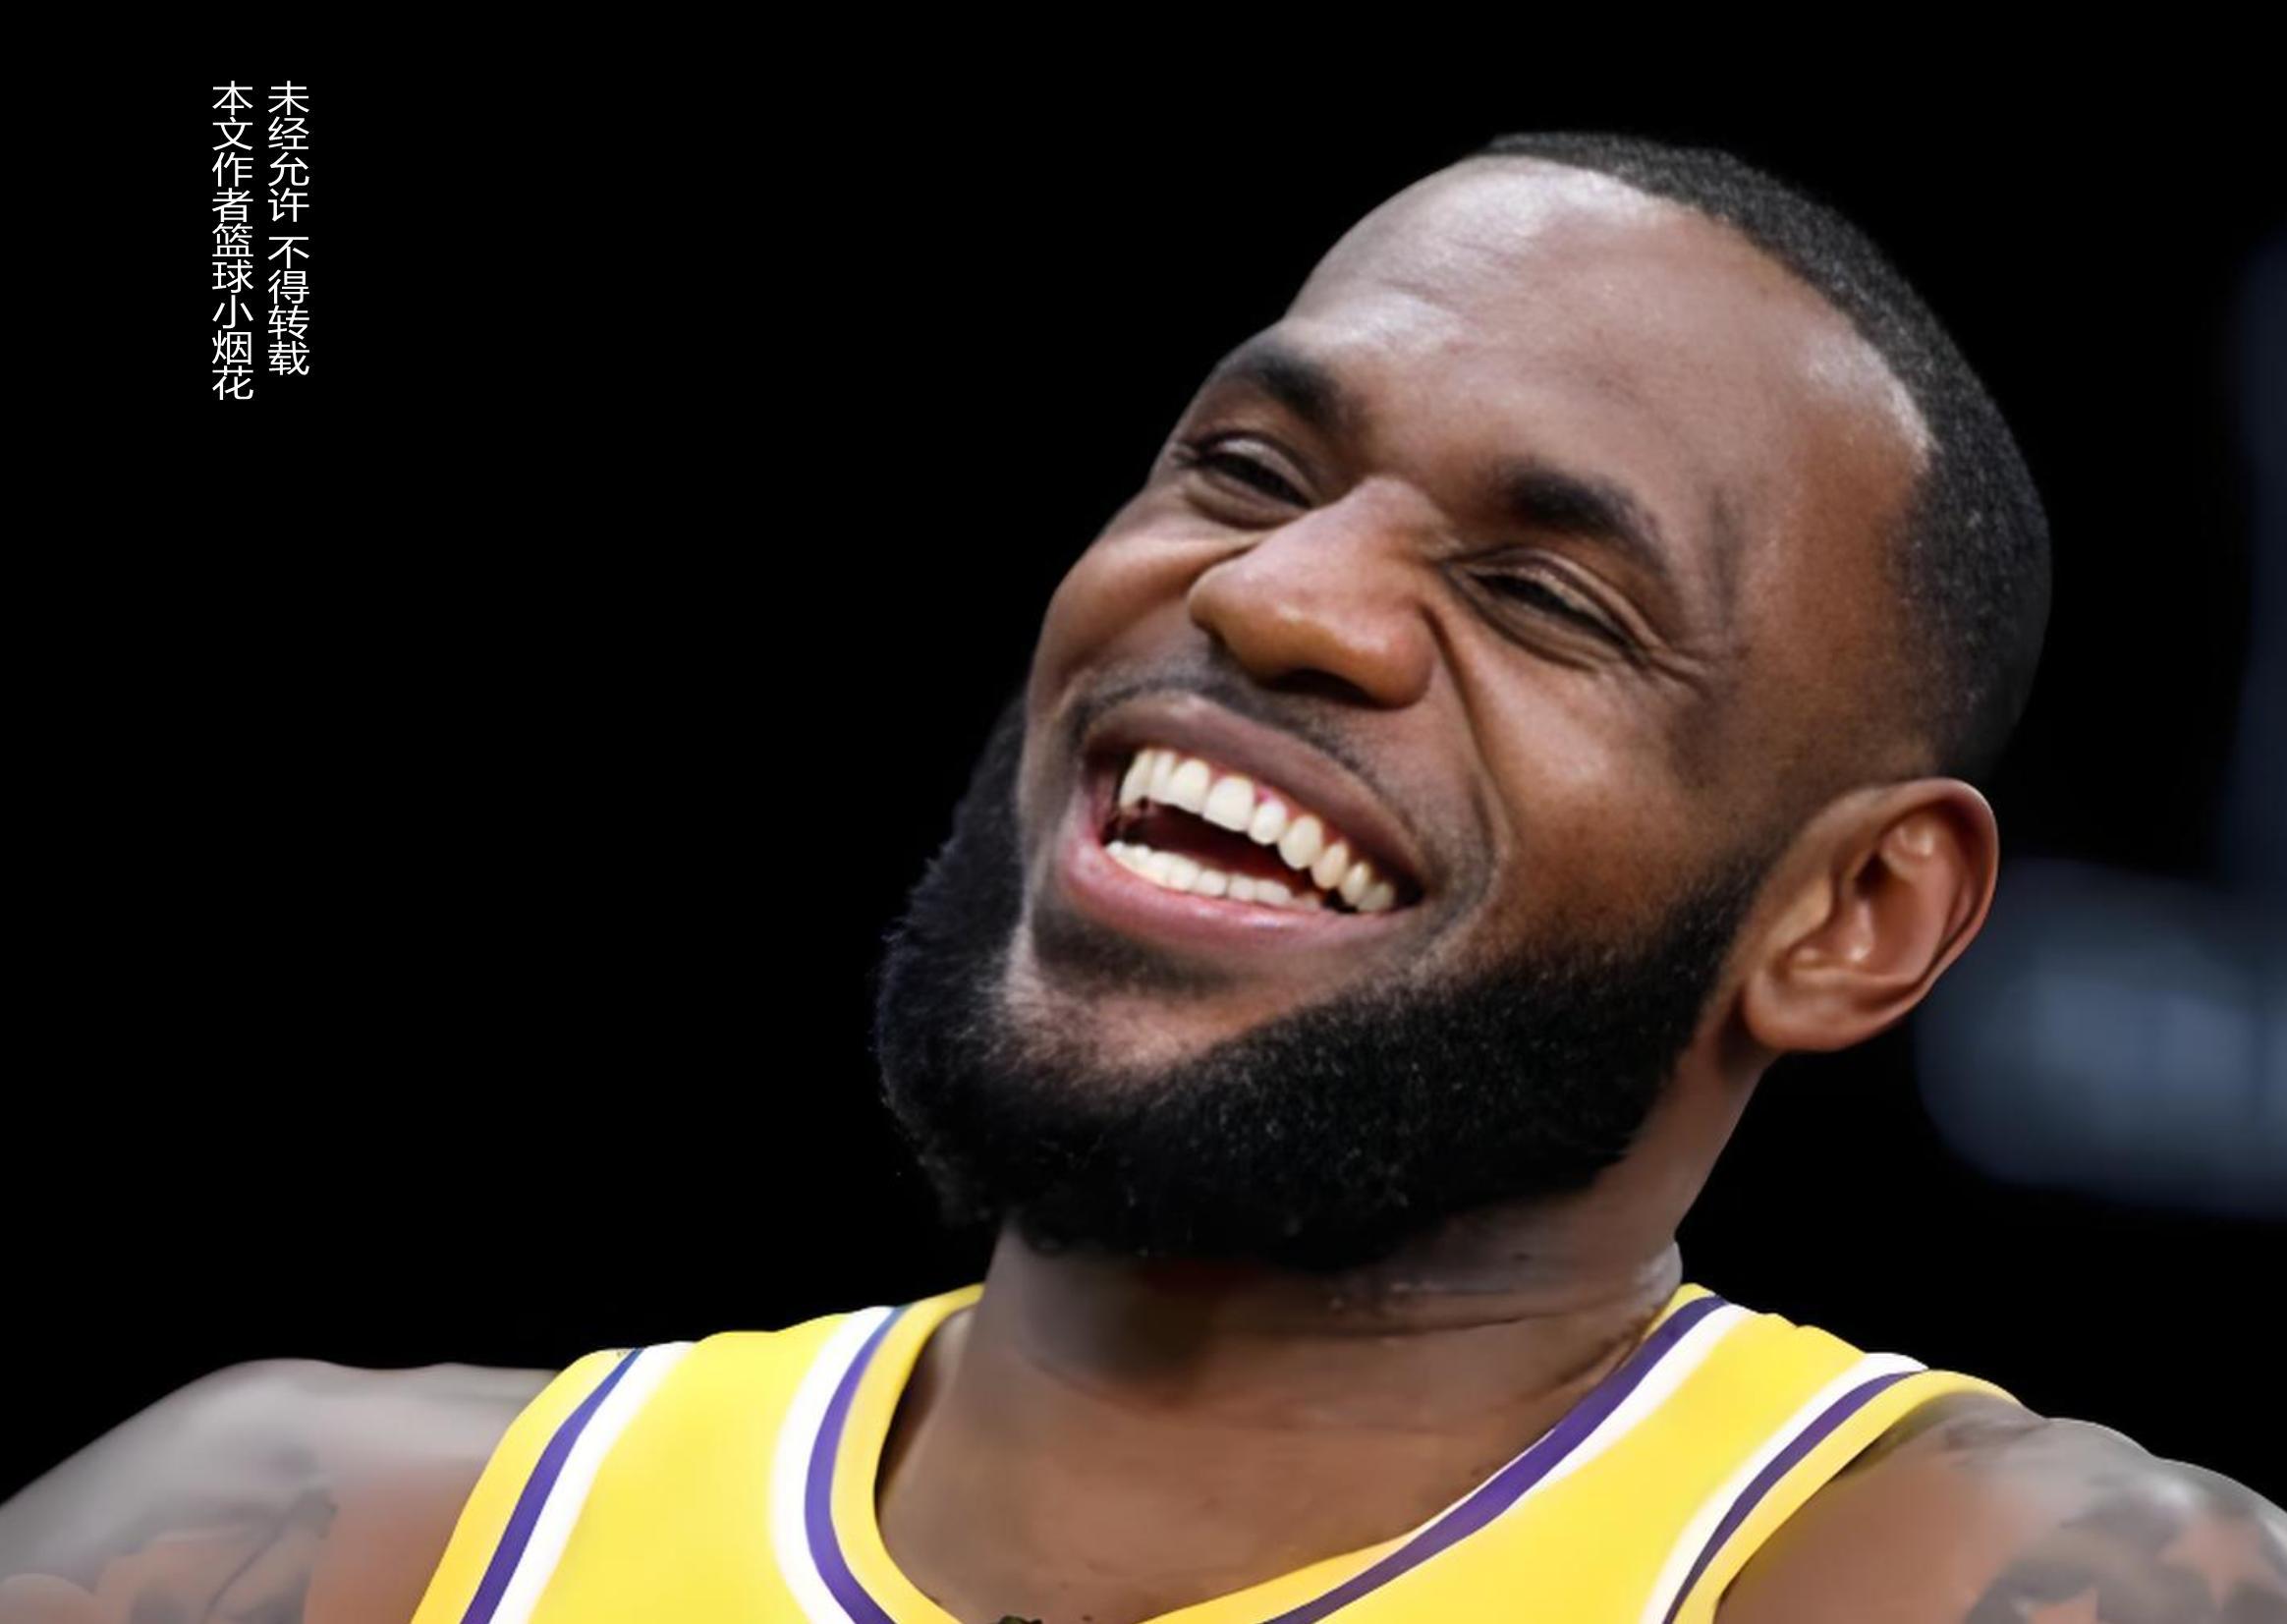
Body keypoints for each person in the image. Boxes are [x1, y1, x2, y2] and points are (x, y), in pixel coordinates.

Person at [5, 131, 2281, 1624]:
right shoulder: (294, 1541)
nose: (1279, 597)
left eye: (1544, 595)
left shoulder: (2000, 1579)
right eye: (1248, 468)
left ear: (1850, 916)